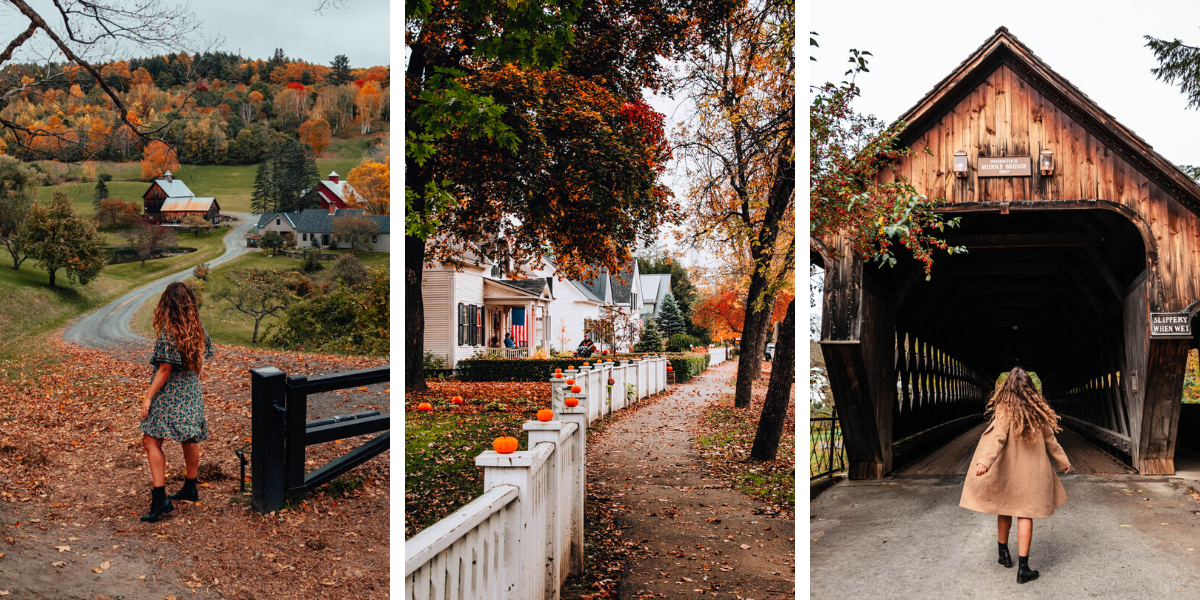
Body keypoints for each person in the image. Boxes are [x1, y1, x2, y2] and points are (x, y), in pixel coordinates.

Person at [960, 366, 1071, 584]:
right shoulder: (1038, 411)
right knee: (1025, 514)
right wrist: (1062, 462)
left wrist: (984, 461)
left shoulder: (1004, 410)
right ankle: (1024, 568)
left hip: (1007, 472)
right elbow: (1051, 441)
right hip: (1031, 475)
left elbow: (996, 438)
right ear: (1030, 388)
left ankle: (1003, 554)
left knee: (1004, 508)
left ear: (1007, 388)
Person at [139, 282, 214, 523]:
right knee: (189, 437)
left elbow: (164, 369)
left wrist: (148, 397)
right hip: (191, 389)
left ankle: (160, 500)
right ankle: (190, 487)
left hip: (170, 393)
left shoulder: (169, 333)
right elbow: (203, 356)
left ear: (167, 305)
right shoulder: (198, 329)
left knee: (151, 440)